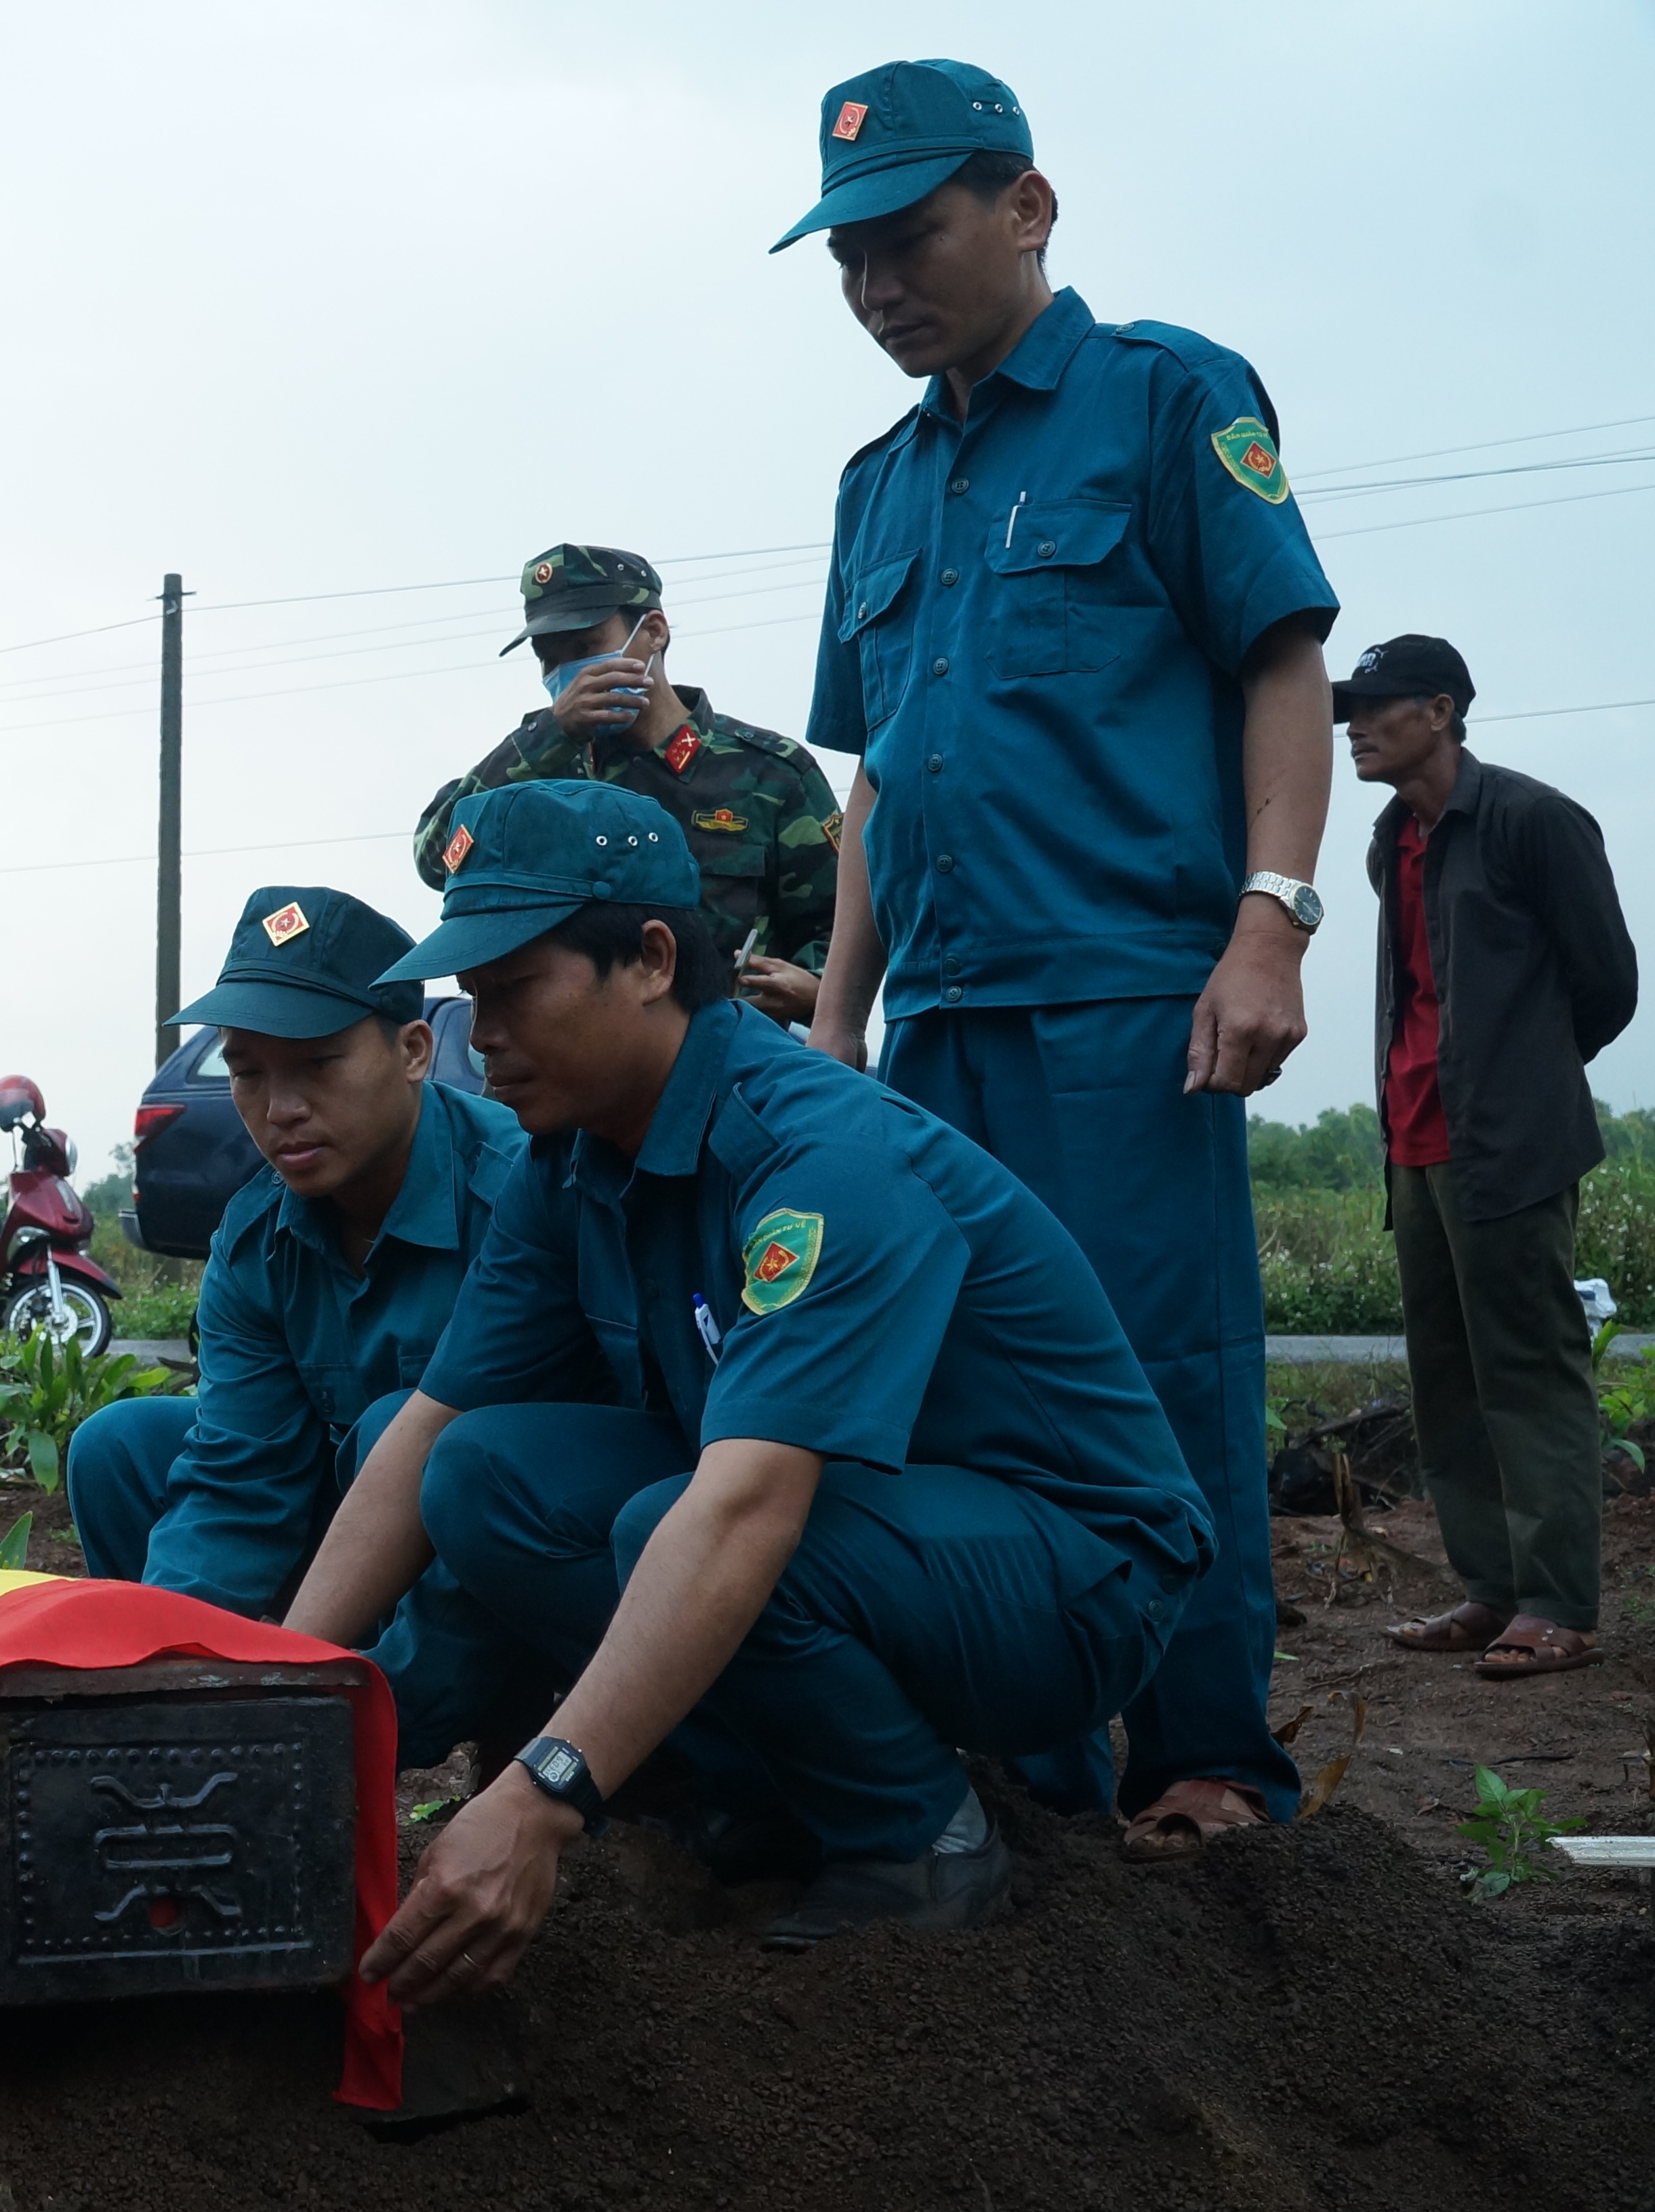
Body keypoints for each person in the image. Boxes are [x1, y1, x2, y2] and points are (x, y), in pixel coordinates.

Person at [285, 781, 1205, 1994]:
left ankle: (924, 1835)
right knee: (484, 1473)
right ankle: (768, 1786)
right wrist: (274, 1691)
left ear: (652, 959)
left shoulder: (817, 1155)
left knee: (673, 1520)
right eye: (468, 999)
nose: (481, 1032)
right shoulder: (569, 1163)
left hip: (1071, 1573)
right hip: (870, 1533)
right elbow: (431, 1429)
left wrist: (546, 1790)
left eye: (511, 989)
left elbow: (746, 1509)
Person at [783, 59, 1338, 1860]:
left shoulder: (1165, 400)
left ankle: (1206, 1757)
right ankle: (1028, 1752)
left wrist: (1271, 918)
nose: (880, 285)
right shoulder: (877, 486)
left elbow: (1279, 659)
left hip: (1126, 1003)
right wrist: (843, 1021)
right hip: (937, 1022)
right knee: (962, 1393)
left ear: (1026, 208)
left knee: (1162, 1373)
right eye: (849, 256)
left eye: (912, 236)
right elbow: (875, 781)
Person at [64, 885, 529, 1759]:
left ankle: (377, 1722)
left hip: (510, 1550)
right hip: (349, 1526)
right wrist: (170, 1673)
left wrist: (343, 1726)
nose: (279, 1109)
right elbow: (240, 1477)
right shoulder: (256, 1233)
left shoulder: (515, 1192)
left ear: (414, 1051)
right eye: (247, 1071)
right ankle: (191, 1711)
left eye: (317, 1064)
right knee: (119, 1445)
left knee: (413, 1437)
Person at [1341, 636, 1637, 1677]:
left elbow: (1605, 982)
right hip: (1414, 1142)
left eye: (1376, 707)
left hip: (1508, 1140)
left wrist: (1522, 1082)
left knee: (1529, 1368)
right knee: (1448, 1377)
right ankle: (1490, 1590)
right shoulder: (1391, 839)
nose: (1354, 727)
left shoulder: (1532, 819)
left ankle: (1559, 1602)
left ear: (1442, 708)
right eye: (1350, 709)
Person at [412, 544, 842, 1024]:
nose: (568, 674)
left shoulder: (769, 774)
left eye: (585, 648)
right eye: (549, 659)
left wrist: (817, 991)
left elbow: (844, 921)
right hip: (556, 1060)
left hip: (717, 1065)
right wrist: (553, 735)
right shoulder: (535, 770)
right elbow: (437, 861)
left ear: (653, 632)